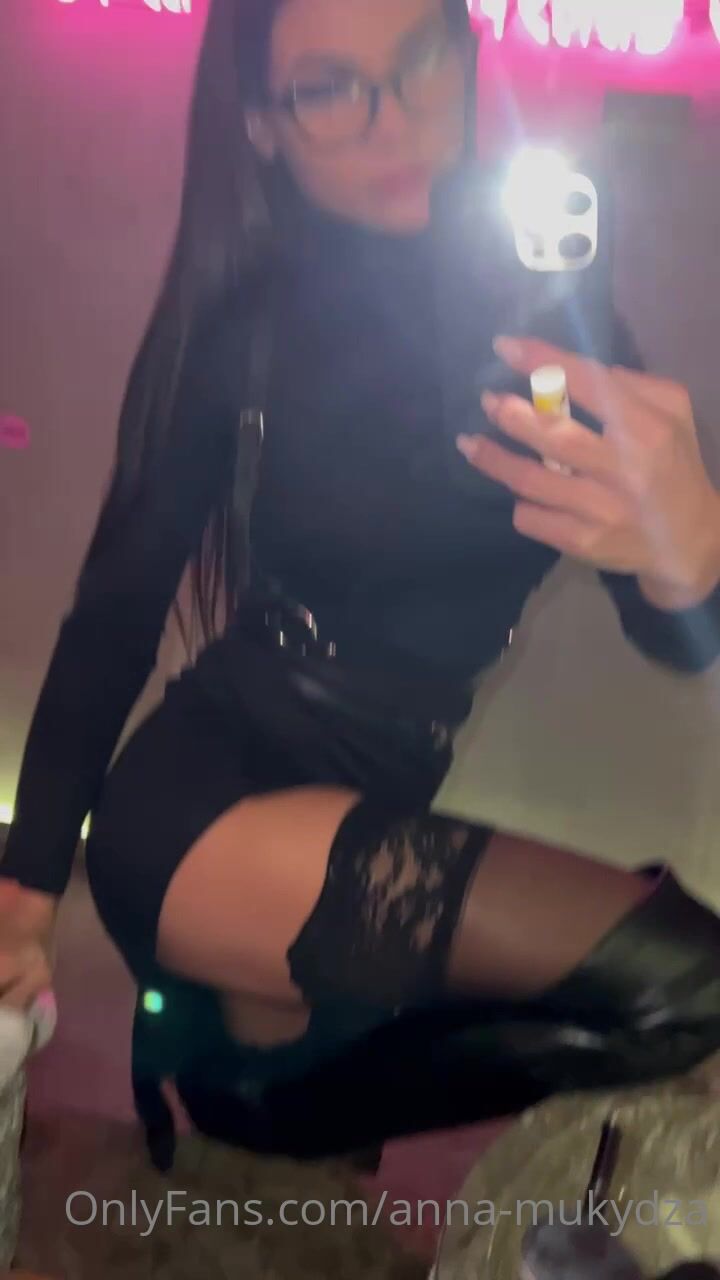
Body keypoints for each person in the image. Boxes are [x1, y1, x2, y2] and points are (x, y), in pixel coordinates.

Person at [1, 0, 720, 1118]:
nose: (393, 118)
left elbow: (673, 632)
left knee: (301, 1079)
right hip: (203, 803)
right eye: (330, 89)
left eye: (419, 60)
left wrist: (696, 547)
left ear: (466, 59)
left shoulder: (549, 326)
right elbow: (117, 612)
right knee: (690, 984)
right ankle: (239, 1065)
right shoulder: (243, 327)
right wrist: (28, 887)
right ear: (261, 123)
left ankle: (235, 1074)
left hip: (377, 785)